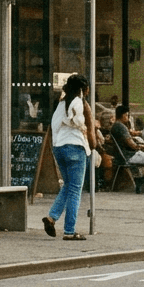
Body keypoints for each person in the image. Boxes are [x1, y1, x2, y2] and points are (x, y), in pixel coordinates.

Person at [43, 74, 100, 240]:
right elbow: (79, 122)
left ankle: (51, 217)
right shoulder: (78, 103)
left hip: (59, 148)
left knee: (68, 185)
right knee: (75, 190)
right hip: (75, 147)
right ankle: (69, 231)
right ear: (83, 89)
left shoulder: (61, 104)